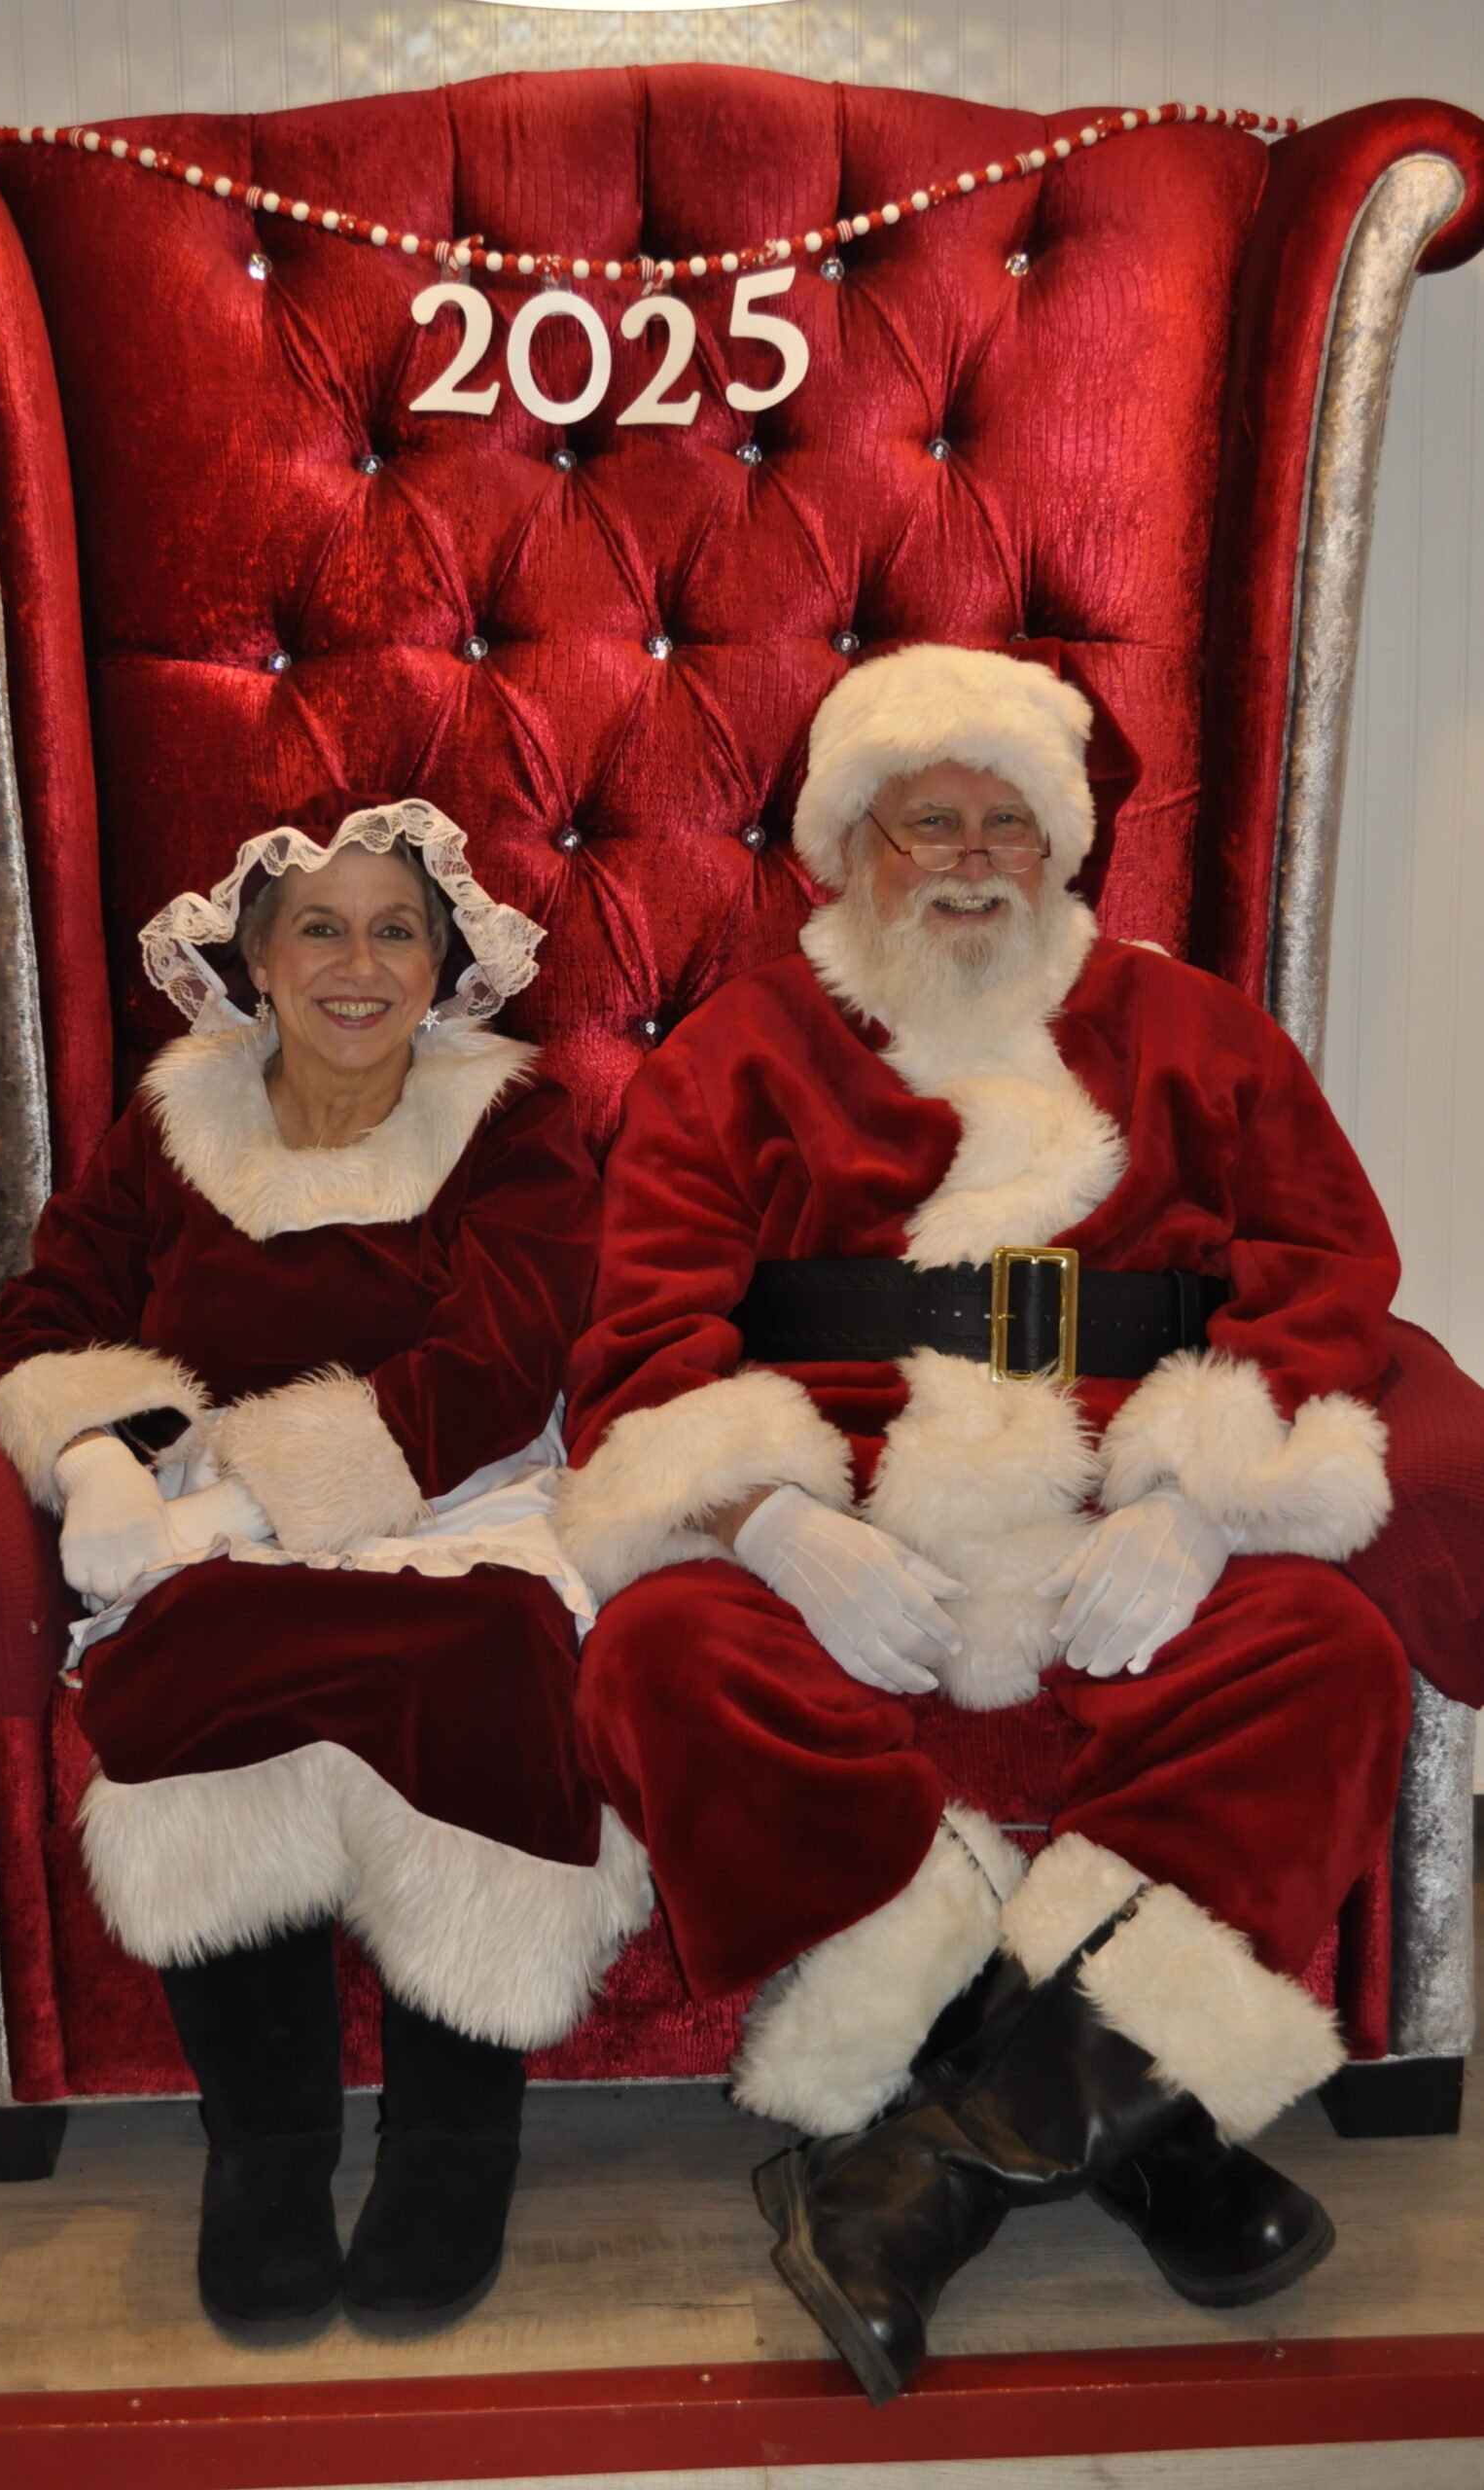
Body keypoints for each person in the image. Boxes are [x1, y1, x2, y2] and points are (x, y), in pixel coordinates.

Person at [556, 644, 1408, 2402]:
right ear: (843, 848)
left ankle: (921, 2176)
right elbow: (641, 1340)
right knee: (660, 1651)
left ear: (1066, 844)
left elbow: (1328, 1272)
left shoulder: (1197, 1033)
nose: (968, 859)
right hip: (851, 1505)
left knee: (1327, 1650)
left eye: (1006, 824)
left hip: (1116, 1503)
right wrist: (770, 1518)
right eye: (923, 823)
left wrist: (1201, 1491)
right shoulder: (739, 1051)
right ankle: (1145, 2138)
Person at [0, 799, 648, 2336]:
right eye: (320, 930)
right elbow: (49, 1315)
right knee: (198, 1650)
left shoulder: (514, 1122)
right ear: (257, 963)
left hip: (453, 1499)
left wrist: (243, 1514)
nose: (360, 965)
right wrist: (95, 1461)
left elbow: (496, 1369)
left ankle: (456, 2143)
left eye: (396, 930)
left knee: (492, 1657)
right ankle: (267, 2149)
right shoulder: (172, 1123)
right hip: (199, 1505)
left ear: (443, 962)